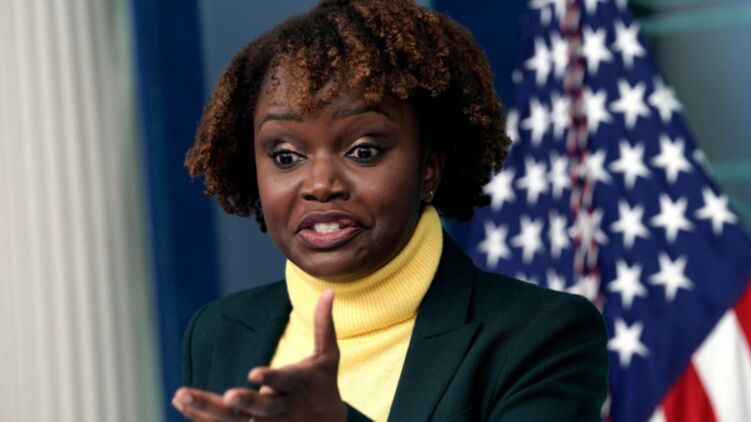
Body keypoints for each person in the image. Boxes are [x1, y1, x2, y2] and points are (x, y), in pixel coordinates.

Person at [171, 0, 609, 420]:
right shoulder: (217, 331)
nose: (320, 184)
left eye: (363, 150)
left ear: (429, 166)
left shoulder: (539, 335)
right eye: (286, 156)